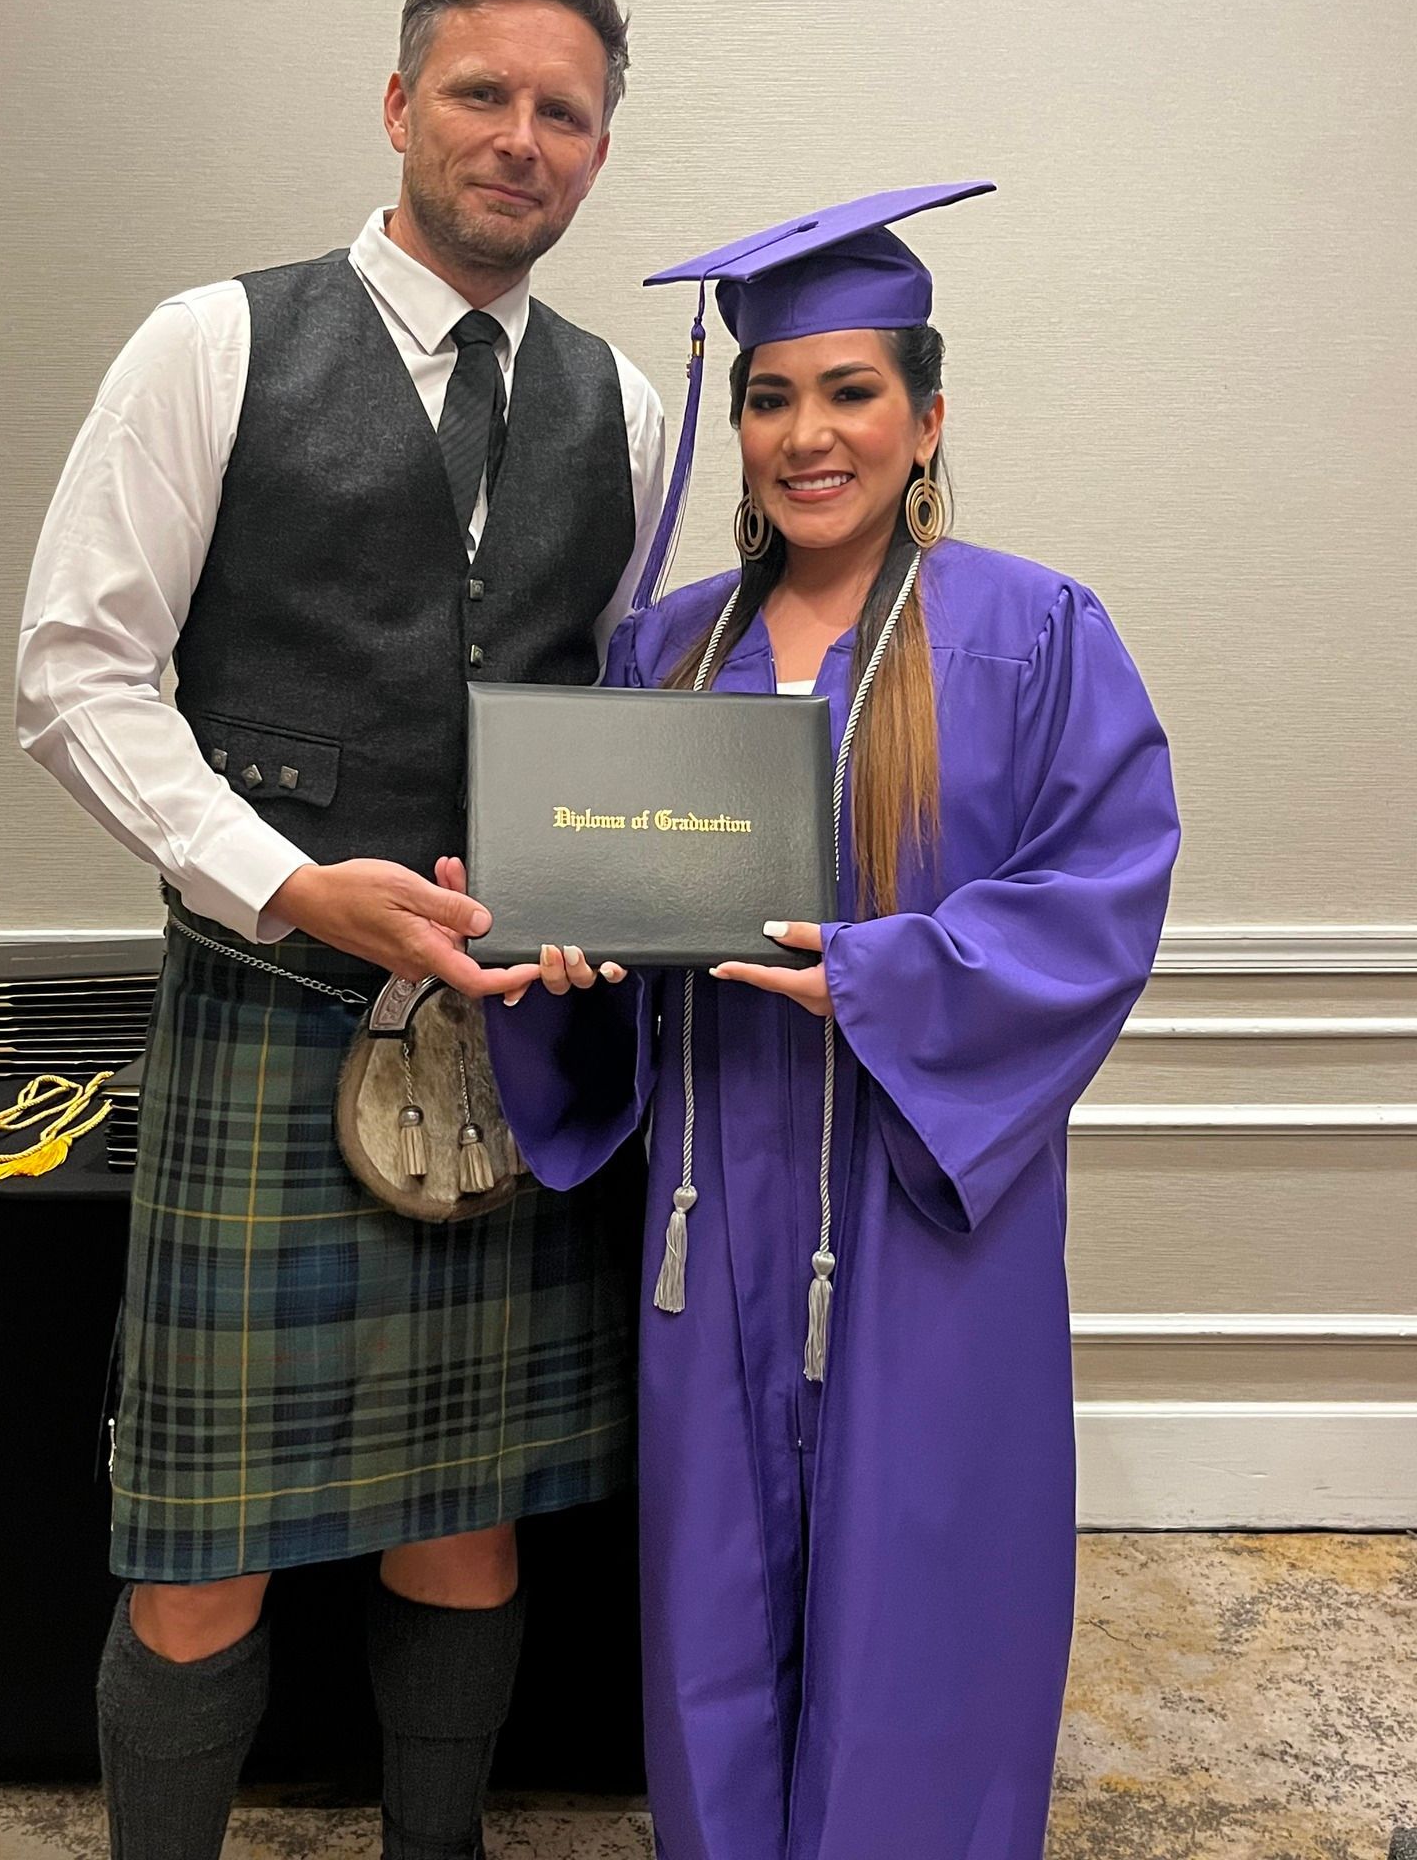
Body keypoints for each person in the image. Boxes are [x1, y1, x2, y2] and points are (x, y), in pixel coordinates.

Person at [15, 0, 665, 1860]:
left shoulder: (624, 410)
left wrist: (592, 898)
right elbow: (74, 671)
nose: (519, 138)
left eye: (565, 111)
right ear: (399, 107)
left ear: (600, 149)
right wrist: (291, 883)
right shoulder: (209, 341)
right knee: (199, 1554)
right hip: (265, 1012)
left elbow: (606, 728)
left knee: (463, 1521)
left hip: (505, 1041)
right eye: (481, 93)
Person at [482, 185, 1181, 1859]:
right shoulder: (666, 650)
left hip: (931, 1218)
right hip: (711, 1214)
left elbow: (1105, 891)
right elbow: (604, 933)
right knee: (712, 1628)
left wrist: (883, 973)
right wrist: (559, 959)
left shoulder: (1031, 634)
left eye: (852, 391)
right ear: (736, 427)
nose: (810, 435)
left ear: (928, 417)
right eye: (772, 396)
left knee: (925, 1620)